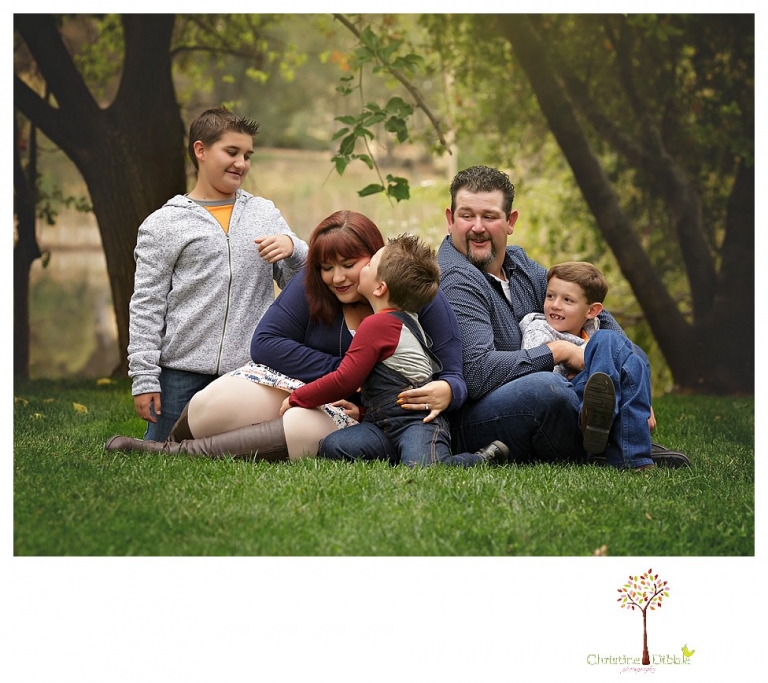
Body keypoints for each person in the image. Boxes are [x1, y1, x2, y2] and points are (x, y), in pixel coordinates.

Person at [321, 165, 690, 471]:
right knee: (546, 389)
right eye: (467, 215)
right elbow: (477, 372)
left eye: (489, 216)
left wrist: (625, 377)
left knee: (623, 349)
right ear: (450, 219)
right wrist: (558, 350)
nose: (477, 227)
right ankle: (618, 445)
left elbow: (593, 310)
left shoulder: (522, 264)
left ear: (510, 221)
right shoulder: (451, 278)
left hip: (542, 393)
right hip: (473, 415)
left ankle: (624, 440)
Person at [106, 211, 467, 462]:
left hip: (374, 411)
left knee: (298, 426)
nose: (337, 278)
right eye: (326, 267)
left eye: (349, 265)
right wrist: (350, 371)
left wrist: (450, 390)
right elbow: (265, 343)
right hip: (313, 386)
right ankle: (168, 443)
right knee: (211, 405)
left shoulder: (415, 295)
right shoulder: (312, 286)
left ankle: (169, 453)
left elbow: (453, 368)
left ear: (375, 262)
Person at [127, 106, 308, 442]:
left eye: (248, 155)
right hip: (180, 373)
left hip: (248, 374)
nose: (242, 164)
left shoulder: (263, 213)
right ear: (201, 150)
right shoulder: (164, 224)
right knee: (162, 457)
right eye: (232, 152)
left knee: (243, 461)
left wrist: (294, 247)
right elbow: (146, 305)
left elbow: (302, 283)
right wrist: (145, 378)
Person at [278, 233, 508, 467]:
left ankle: (480, 459)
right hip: (381, 424)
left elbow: (344, 380)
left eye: (369, 264)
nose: (362, 268)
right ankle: (403, 453)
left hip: (418, 423)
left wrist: (298, 398)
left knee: (423, 469)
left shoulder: (378, 325)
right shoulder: (401, 320)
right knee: (334, 446)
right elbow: (381, 390)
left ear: (379, 288)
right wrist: (361, 411)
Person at [519, 261, 679, 470]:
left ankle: (626, 448)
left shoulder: (593, 330)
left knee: (632, 359)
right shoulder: (539, 328)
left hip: (592, 401)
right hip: (567, 401)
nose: (555, 305)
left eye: (567, 300)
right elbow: (538, 376)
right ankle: (618, 436)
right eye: (550, 296)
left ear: (592, 311)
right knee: (610, 343)